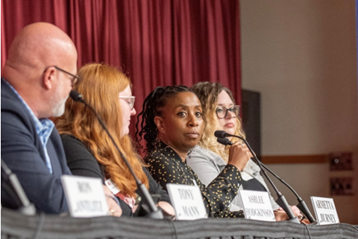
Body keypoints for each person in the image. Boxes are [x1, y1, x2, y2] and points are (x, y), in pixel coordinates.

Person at [1, 22, 121, 216]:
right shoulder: (4, 115)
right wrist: (101, 199)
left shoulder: (47, 130)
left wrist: (99, 198)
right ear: (50, 76)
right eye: (71, 80)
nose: (71, 90)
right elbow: (49, 200)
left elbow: (71, 190)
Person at [55, 63, 174, 217]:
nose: (134, 111)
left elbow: (164, 199)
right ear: (105, 103)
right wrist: (149, 211)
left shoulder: (121, 149)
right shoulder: (72, 145)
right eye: (128, 102)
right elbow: (101, 208)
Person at [187, 81, 303, 221]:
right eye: (220, 110)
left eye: (231, 108)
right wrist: (272, 215)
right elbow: (217, 205)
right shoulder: (196, 156)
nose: (230, 116)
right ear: (201, 116)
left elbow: (269, 204)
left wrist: (287, 213)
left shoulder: (243, 156)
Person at [136, 85, 251, 218]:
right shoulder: (160, 161)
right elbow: (200, 211)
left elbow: (216, 214)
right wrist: (234, 168)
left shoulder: (181, 164)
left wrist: (266, 217)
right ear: (161, 124)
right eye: (182, 114)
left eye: (198, 114)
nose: (194, 122)